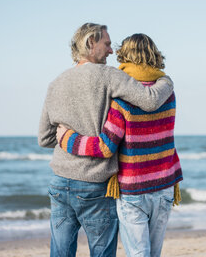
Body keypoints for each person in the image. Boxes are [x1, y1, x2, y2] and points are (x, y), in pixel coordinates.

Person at [38, 24, 174, 257]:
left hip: (60, 183)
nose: (112, 51)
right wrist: (167, 82)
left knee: (60, 253)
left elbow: (45, 138)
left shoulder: (56, 82)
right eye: (107, 44)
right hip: (95, 183)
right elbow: (150, 101)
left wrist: (67, 138)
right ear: (91, 42)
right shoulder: (111, 76)